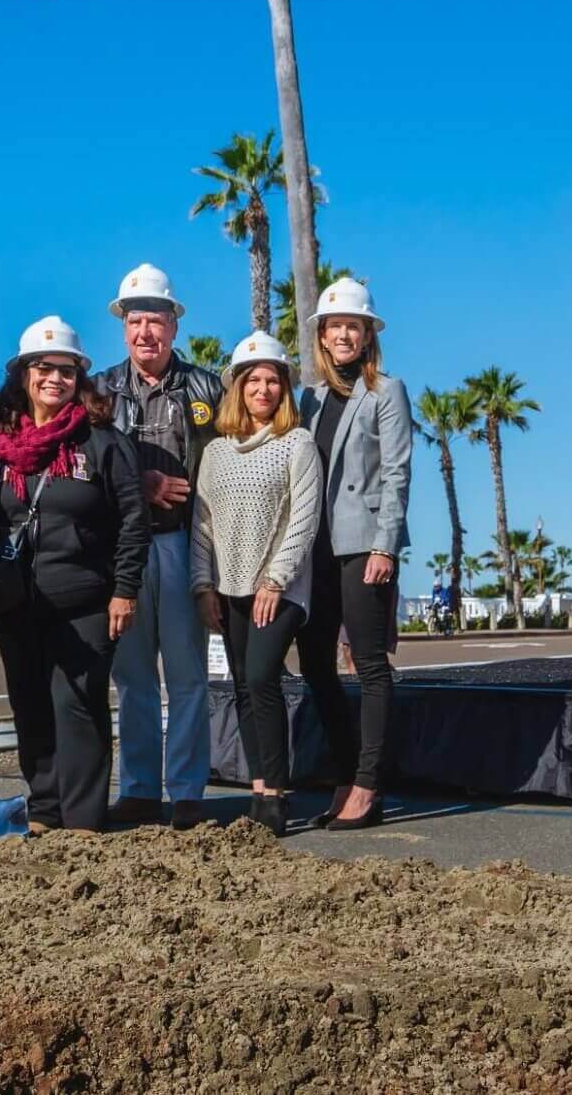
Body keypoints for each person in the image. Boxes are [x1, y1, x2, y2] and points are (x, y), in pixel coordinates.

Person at [0, 316, 149, 834]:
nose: (55, 378)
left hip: (87, 601)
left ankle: (84, 818)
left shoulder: (103, 442)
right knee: (29, 704)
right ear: (23, 375)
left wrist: (125, 590)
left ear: (80, 378)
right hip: (16, 601)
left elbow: (133, 518)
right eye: (43, 368)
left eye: (67, 370)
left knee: (78, 707)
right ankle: (45, 808)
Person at [95, 263, 224, 830]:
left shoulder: (207, 388)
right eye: (136, 320)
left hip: (181, 546)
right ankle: (142, 789)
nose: (146, 332)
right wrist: (140, 485)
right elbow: (85, 467)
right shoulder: (97, 391)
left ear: (175, 325)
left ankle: (189, 791)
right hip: (122, 553)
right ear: (123, 327)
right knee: (133, 679)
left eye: (157, 320)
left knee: (189, 675)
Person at [190, 331, 321, 837]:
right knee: (243, 687)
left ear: (284, 391)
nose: (264, 389)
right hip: (227, 586)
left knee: (264, 678)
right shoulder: (217, 452)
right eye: (254, 381)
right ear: (238, 389)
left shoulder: (298, 443)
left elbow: (304, 519)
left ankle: (278, 795)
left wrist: (275, 579)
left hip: (279, 589)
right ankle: (260, 786)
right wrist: (203, 586)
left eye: (273, 381)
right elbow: (202, 523)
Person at [294, 279, 412, 831]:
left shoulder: (387, 391)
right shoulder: (309, 397)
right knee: (314, 664)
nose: (344, 334)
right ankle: (343, 776)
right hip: (314, 547)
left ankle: (368, 787)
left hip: (365, 547)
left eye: (354, 325)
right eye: (335, 325)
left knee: (368, 667)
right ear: (322, 334)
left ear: (368, 335)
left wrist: (385, 545)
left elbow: (397, 473)